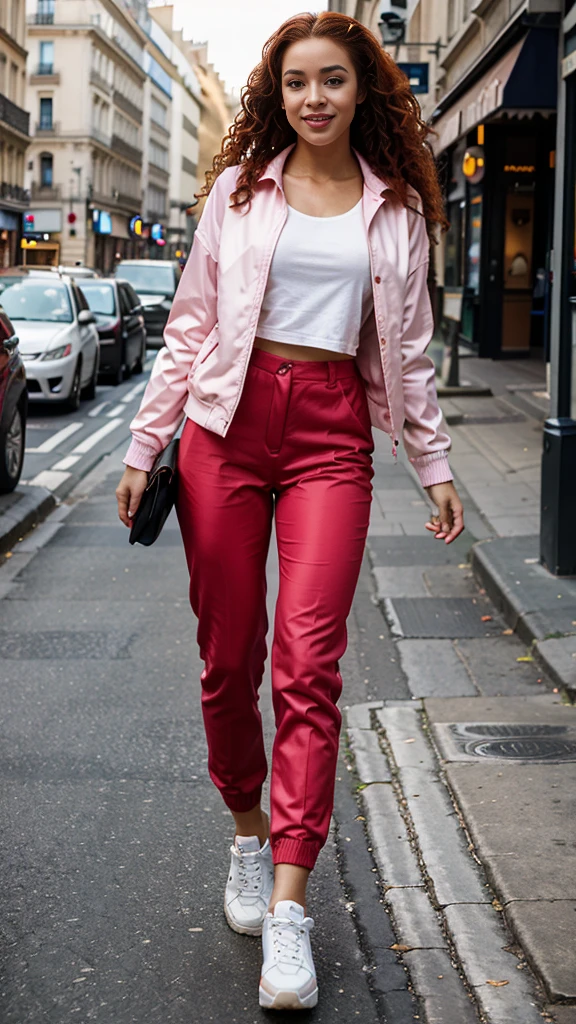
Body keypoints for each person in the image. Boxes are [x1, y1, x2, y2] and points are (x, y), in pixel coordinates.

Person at [115, 11, 464, 1012]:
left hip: (330, 434)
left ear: (363, 92)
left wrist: (433, 461)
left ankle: (290, 904)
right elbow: (188, 326)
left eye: (335, 81)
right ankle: (245, 830)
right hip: (224, 428)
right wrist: (147, 442)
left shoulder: (396, 208)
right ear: (278, 94)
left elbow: (407, 350)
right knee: (230, 655)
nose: (316, 96)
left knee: (308, 663)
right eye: (299, 81)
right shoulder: (239, 191)